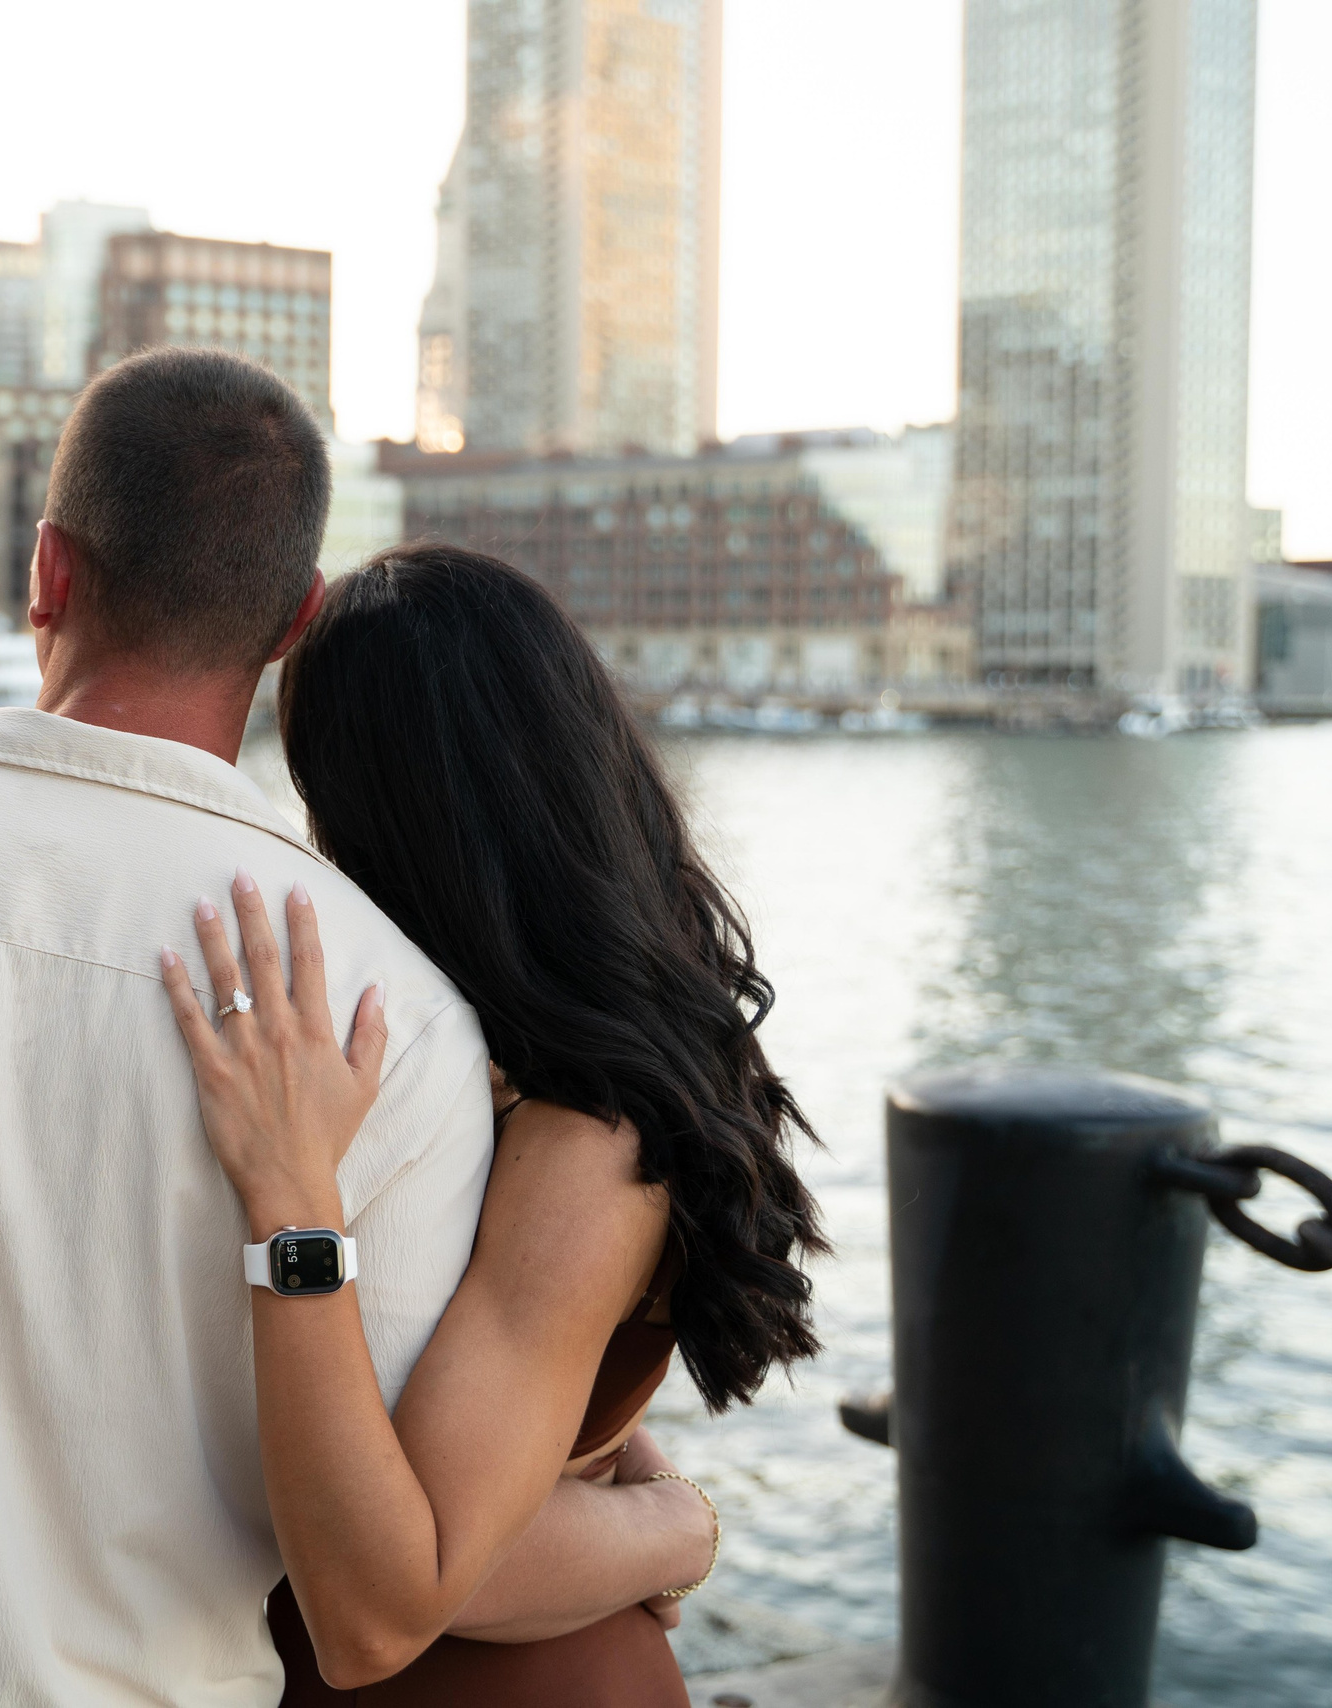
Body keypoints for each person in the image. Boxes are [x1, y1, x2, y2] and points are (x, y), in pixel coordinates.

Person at [0, 352, 702, 1707]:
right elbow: (379, 1550)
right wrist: (674, 1521)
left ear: (47, 571)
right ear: (292, 625)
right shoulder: (382, 1014)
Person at [156, 545, 828, 1704]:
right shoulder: (482, 1060)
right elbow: (531, 1395)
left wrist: (678, 1527)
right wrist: (637, 1485)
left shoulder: (586, 1135)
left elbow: (416, 1585)